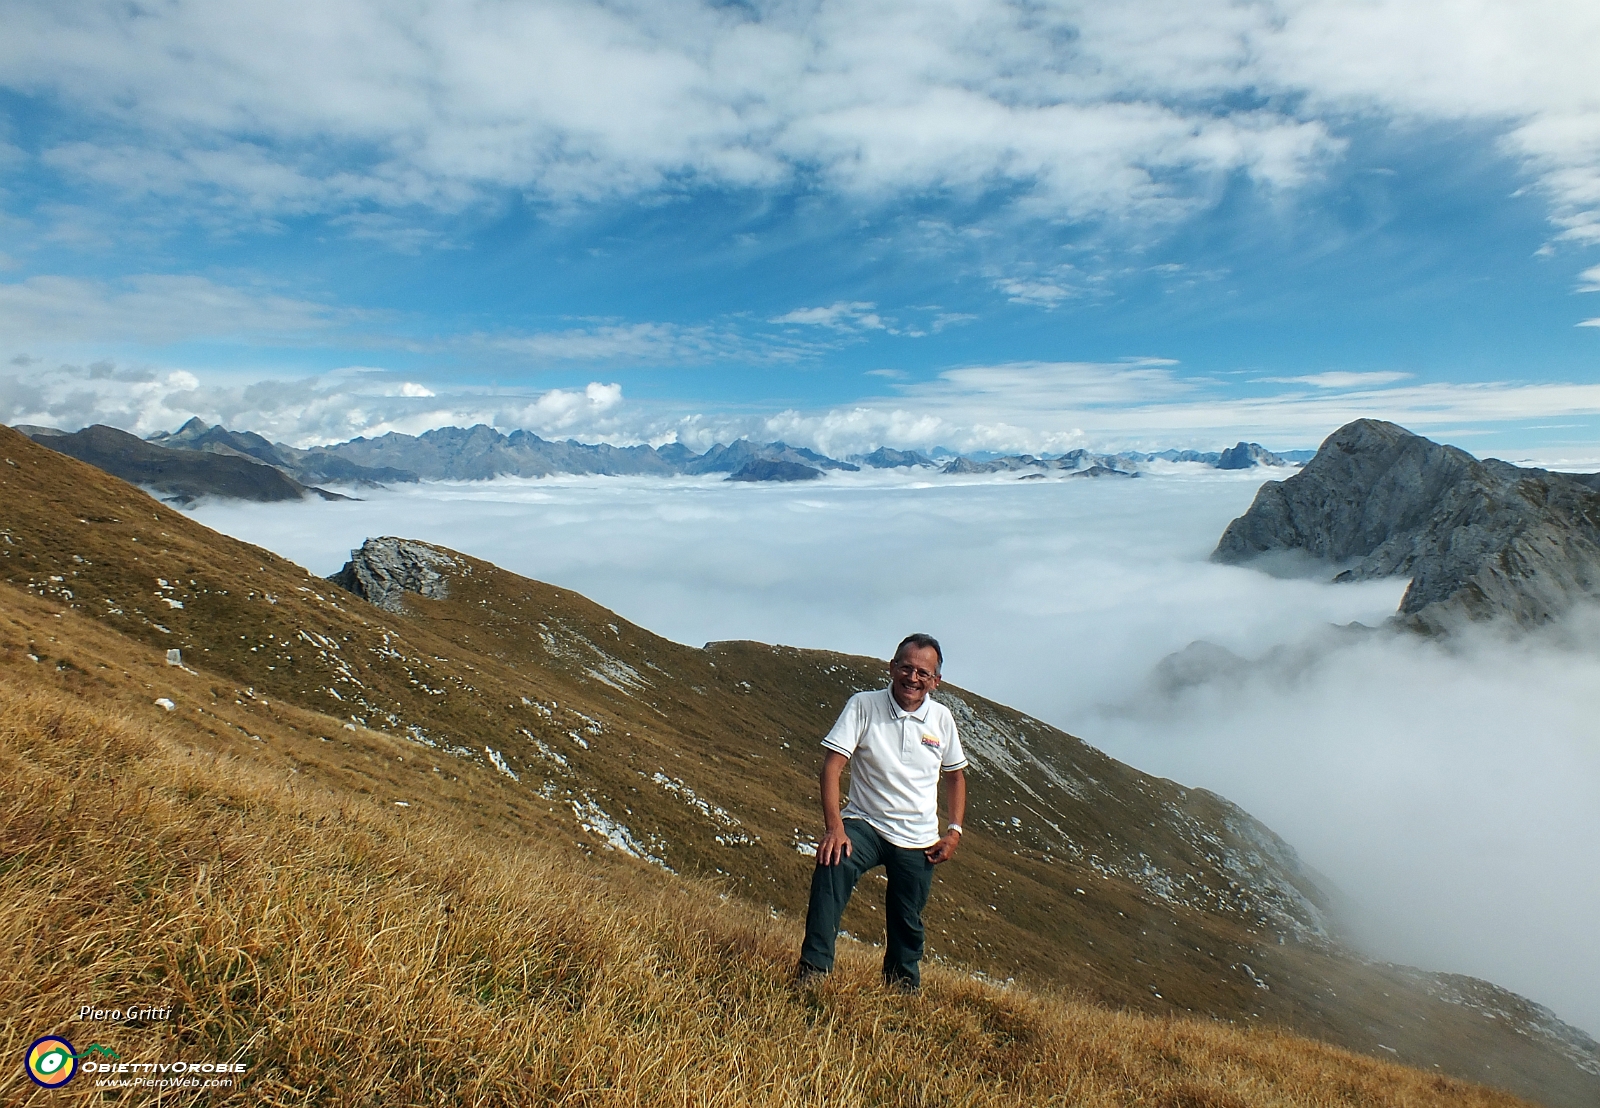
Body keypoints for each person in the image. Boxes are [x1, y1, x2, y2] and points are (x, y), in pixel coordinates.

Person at [796, 633, 968, 991]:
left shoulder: (942, 719)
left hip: (918, 838)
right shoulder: (863, 706)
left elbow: (955, 776)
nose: (913, 678)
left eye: (924, 672)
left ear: (936, 682)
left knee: (908, 919)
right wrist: (835, 828)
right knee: (833, 864)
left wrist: (953, 831)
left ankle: (901, 989)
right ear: (892, 668)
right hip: (865, 824)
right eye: (906, 668)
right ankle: (814, 972)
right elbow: (832, 766)